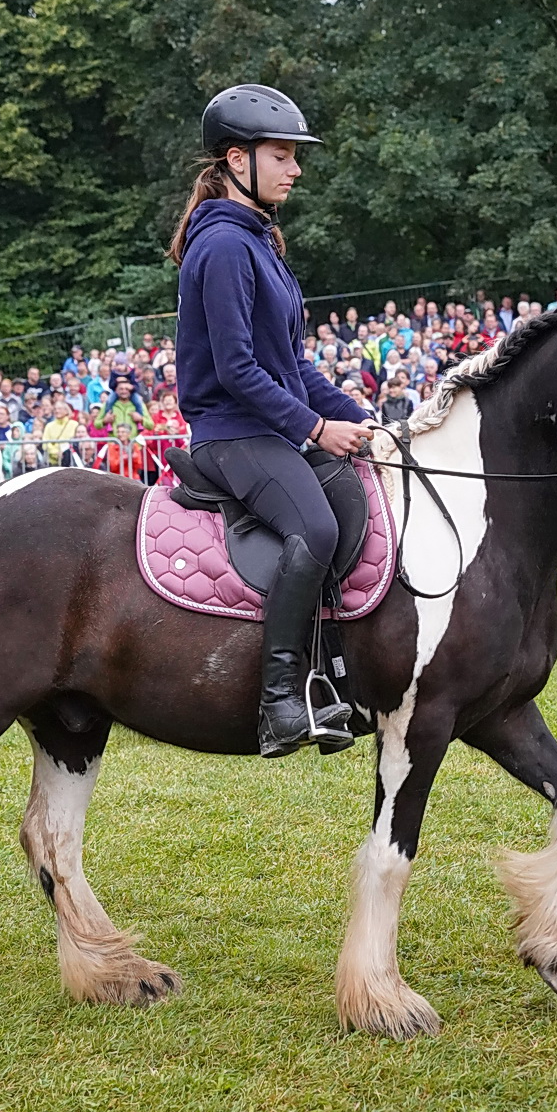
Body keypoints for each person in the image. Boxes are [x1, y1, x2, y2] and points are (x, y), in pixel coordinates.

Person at [171, 83, 372, 758]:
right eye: (282, 156)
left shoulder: (261, 244)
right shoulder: (225, 247)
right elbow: (235, 370)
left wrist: (359, 417)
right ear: (236, 159)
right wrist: (315, 431)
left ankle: (339, 675)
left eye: (294, 156)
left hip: (265, 422)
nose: (295, 169)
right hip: (231, 432)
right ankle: (280, 702)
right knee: (312, 525)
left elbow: (293, 368)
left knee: (350, 494)